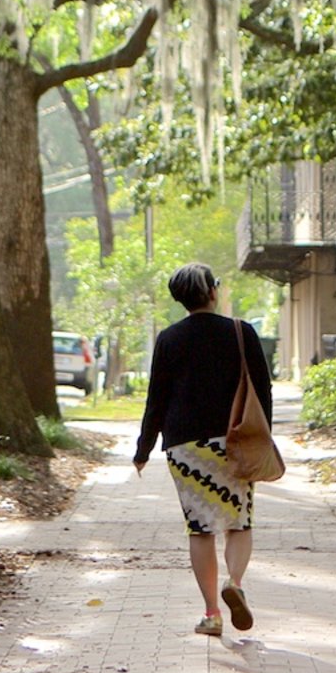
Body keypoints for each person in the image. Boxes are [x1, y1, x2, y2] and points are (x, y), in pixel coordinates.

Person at [134, 263, 276, 636]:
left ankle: (212, 613)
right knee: (238, 520)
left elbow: (156, 399)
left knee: (200, 529)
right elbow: (263, 390)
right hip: (234, 440)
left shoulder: (169, 339)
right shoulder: (241, 332)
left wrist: (143, 448)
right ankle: (236, 583)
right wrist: (264, 436)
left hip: (185, 447)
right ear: (213, 292)